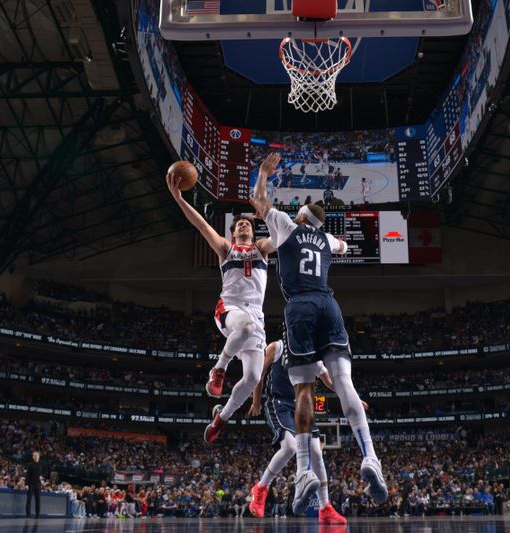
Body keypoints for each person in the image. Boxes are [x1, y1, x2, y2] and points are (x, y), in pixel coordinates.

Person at [250, 153, 387, 516]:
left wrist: (264, 175)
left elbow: (259, 202)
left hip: (301, 308)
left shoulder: (286, 226)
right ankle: (371, 458)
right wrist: (329, 236)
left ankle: (305, 472)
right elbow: (344, 245)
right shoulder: (327, 240)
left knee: (304, 391)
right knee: (345, 385)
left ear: (300, 217)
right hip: (330, 304)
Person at [166, 166, 275, 444]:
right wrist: (179, 199)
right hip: (229, 309)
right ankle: (219, 369)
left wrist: (271, 215)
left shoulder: (261, 248)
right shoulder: (226, 249)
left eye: (247, 224)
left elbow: (283, 236)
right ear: (233, 230)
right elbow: (201, 225)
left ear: (253, 230)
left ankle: (220, 418)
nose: (243, 225)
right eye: (239, 224)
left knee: (252, 377)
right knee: (247, 327)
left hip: (254, 317)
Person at [246, 339, 351, 524]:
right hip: (279, 403)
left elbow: (330, 382)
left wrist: (351, 396)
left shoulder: (311, 354)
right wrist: (256, 402)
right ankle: (261, 488)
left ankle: (325, 507)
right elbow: (258, 375)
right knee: (289, 447)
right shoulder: (276, 347)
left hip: (302, 405)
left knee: (317, 452)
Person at [25, 451, 43, 518]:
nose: (35, 457)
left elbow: (45, 472)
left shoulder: (41, 465)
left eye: (37, 455)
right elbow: (27, 475)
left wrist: (42, 476)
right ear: (33, 457)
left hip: (38, 484)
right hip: (30, 484)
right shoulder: (30, 465)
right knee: (29, 499)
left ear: (39, 456)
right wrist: (26, 484)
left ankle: (37, 514)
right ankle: (28, 514)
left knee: (38, 500)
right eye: (34, 456)